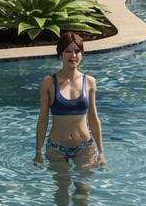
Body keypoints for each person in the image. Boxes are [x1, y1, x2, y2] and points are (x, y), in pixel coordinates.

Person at [34, 33, 104, 168]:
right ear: (60, 54)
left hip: (85, 146)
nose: (74, 55)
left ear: (82, 54)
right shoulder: (48, 82)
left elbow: (93, 118)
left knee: (84, 188)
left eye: (77, 51)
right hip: (56, 148)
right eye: (68, 51)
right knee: (62, 188)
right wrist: (38, 152)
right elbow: (42, 119)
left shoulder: (89, 82)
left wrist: (101, 152)